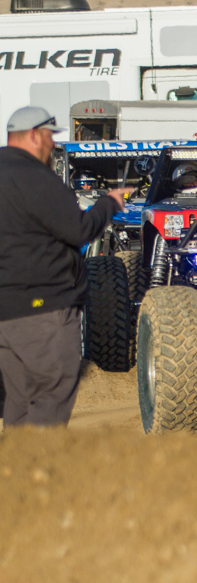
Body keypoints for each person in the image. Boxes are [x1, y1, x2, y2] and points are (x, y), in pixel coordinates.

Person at [0, 107, 130, 427]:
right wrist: (109, 203)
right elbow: (80, 230)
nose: (52, 145)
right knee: (52, 392)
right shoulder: (36, 178)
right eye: (49, 136)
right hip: (43, 307)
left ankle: (15, 471)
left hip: (7, 312)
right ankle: (41, 471)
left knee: (19, 397)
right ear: (33, 135)